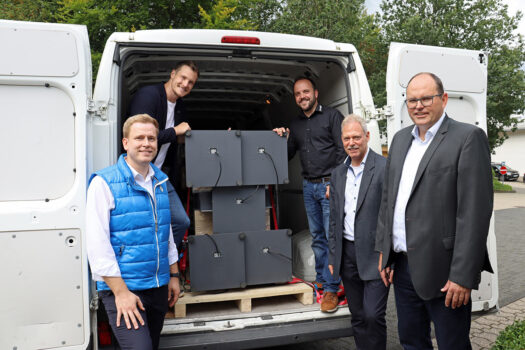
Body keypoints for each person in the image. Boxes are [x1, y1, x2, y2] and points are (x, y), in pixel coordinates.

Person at [375, 72, 493, 349]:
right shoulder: (400, 140)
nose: (418, 105)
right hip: (403, 268)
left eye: (426, 98)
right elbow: (388, 200)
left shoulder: (467, 138)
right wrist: (385, 253)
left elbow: (474, 213)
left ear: (444, 99)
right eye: (412, 100)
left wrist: (462, 276)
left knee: (452, 344)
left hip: (446, 272)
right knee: (412, 341)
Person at [86, 114, 181, 350]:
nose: (146, 143)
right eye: (139, 137)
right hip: (124, 289)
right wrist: (121, 293)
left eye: (151, 138)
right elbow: (97, 245)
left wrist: (174, 275)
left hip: (157, 287)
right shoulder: (104, 182)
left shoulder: (160, 180)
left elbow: (165, 231)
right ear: (125, 143)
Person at [273, 77, 345, 312]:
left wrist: (334, 182)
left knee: (331, 237)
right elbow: (287, 154)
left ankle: (332, 290)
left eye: (305, 92)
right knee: (318, 238)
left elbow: (343, 149)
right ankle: (323, 283)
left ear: (315, 92)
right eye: (297, 94)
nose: (302, 97)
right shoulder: (295, 124)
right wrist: (278, 139)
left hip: (328, 185)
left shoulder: (332, 117)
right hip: (308, 186)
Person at [327, 114, 389, 349]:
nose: (351, 142)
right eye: (346, 138)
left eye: (356, 137)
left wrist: (388, 255)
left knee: (373, 315)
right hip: (347, 254)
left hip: (376, 254)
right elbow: (334, 218)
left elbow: (389, 216)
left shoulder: (384, 167)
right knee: (358, 316)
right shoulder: (337, 174)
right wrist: (334, 255)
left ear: (367, 137)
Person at [128, 61, 199, 251]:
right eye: (183, 78)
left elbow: (177, 139)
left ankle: (165, 263)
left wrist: (215, 139)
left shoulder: (180, 107)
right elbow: (141, 138)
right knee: (140, 225)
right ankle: (150, 263)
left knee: (180, 221)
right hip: (135, 174)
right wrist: (175, 131)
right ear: (173, 73)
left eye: (191, 82)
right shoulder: (149, 96)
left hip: (158, 176)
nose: (185, 84)